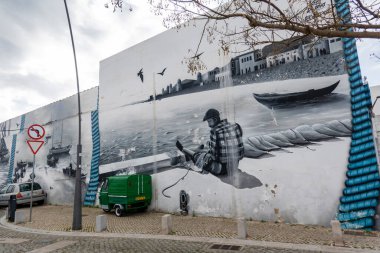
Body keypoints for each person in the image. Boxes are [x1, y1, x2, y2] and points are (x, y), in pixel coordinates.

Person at [176, 108, 244, 176]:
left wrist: (208, 153)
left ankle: (183, 149)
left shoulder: (215, 131)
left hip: (221, 170)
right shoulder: (235, 125)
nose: (208, 125)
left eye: (209, 121)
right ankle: (196, 152)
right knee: (206, 152)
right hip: (235, 166)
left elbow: (214, 156)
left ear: (215, 119)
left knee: (199, 156)